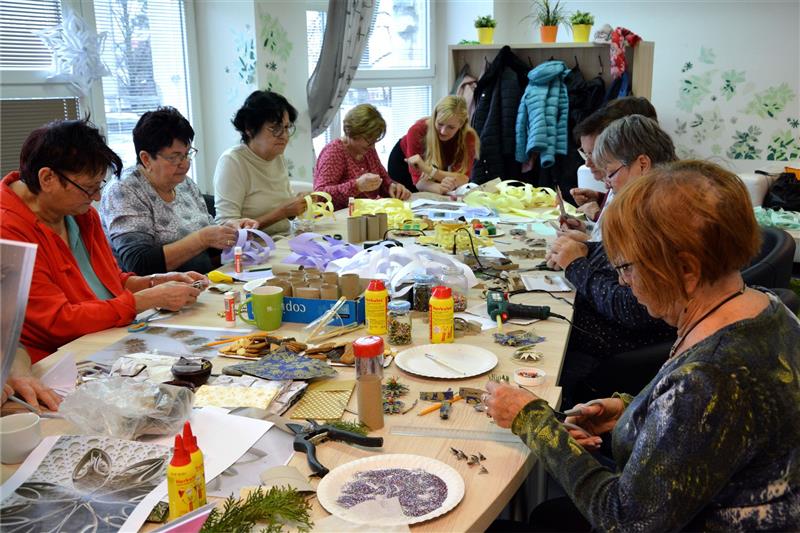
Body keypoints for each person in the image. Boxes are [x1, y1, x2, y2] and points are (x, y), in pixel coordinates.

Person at [486, 160, 800, 531]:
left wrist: (532, 421)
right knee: (548, 516)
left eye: (628, 268)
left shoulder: (709, 376)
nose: (623, 283)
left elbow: (625, 521)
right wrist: (634, 411)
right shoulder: (769, 308)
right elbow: (711, 431)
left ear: (686, 269)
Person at [0, 119, 204, 363]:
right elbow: (57, 321)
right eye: (88, 188)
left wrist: (154, 283)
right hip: (56, 361)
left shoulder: (81, 215)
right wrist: (145, 300)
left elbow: (109, 282)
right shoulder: (9, 231)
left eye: (99, 186)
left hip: (105, 340)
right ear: (47, 179)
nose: (96, 197)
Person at [546, 115, 678, 401]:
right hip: (613, 340)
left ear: (642, 164)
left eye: (611, 173)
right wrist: (586, 249)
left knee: (539, 359)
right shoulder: (657, 201)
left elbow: (632, 308)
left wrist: (577, 265)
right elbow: (622, 263)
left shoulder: (660, 216)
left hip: (618, 353)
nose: (607, 185)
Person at [100, 107, 257, 275]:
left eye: (187, 154)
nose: (185, 164)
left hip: (197, 281)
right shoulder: (124, 191)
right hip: (155, 293)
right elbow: (138, 263)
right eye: (174, 157)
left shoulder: (183, 183)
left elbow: (207, 244)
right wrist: (202, 239)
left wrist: (229, 231)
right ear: (146, 159)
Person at [213, 90, 307, 234]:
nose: (284, 136)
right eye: (275, 128)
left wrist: (297, 205)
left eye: (287, 127)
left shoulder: (277, 156)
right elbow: (226, 230)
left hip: (283, 241)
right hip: (251, 251)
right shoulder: (233, 162)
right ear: (250, 130)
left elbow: (284, 211)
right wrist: (281, 212)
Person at [568, 96, 657, 238]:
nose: (588, 163)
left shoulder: (651, 204)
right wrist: (598, 201)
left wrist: (585, 246)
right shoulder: (624, 181)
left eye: (595, 154)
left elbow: (619, 255)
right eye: (586, 154)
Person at [313, 104, 411, 210]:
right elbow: (320, 195)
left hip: (364, 215)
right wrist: (356, 186)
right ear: (353, 133)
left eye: (374, 140)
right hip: (338, 219)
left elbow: (383, 179)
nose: (373, 146)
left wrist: (392, 187)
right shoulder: (334, 152)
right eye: (369, 140)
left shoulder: (367, 149)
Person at [387, 95, 479, 194]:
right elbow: (418, 182)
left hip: (432, 166)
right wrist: (443, 188)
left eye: (451, 127)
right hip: (402, 164)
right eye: (440, 124)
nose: (443, 131)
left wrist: (429, 170)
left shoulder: (468, 137)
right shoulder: (417, 131)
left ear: (461, 125)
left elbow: (463, 178)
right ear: (435, 117)